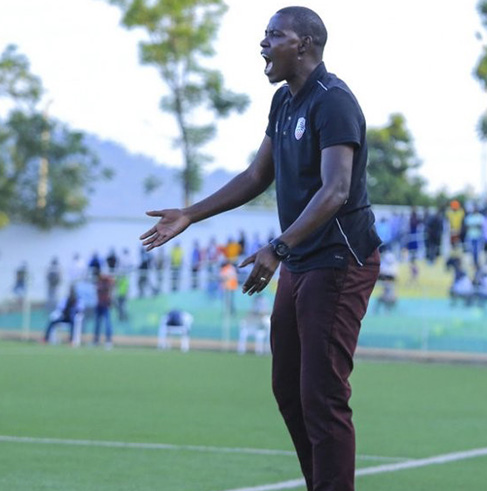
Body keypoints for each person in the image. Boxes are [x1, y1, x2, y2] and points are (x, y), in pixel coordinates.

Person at [139, 8, 380, 489]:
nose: (264, 44)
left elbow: (335, 191)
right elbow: (256, 176)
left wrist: (278, 245)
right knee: (288, 389)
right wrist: (190, 214)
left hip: (338, 258)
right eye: (266, 35)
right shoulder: (284, 103)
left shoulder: (334, 102)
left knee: (322, 393)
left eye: (275, 35)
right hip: (301, 259)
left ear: (306, 44)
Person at [93, 271, 115, 348]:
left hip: (105, 305)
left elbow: (113, 284)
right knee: (97, 324)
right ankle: (96, 340)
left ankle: (108, 340)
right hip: (99, 305)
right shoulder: (98, 283)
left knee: (107, 323)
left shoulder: (107, 282)